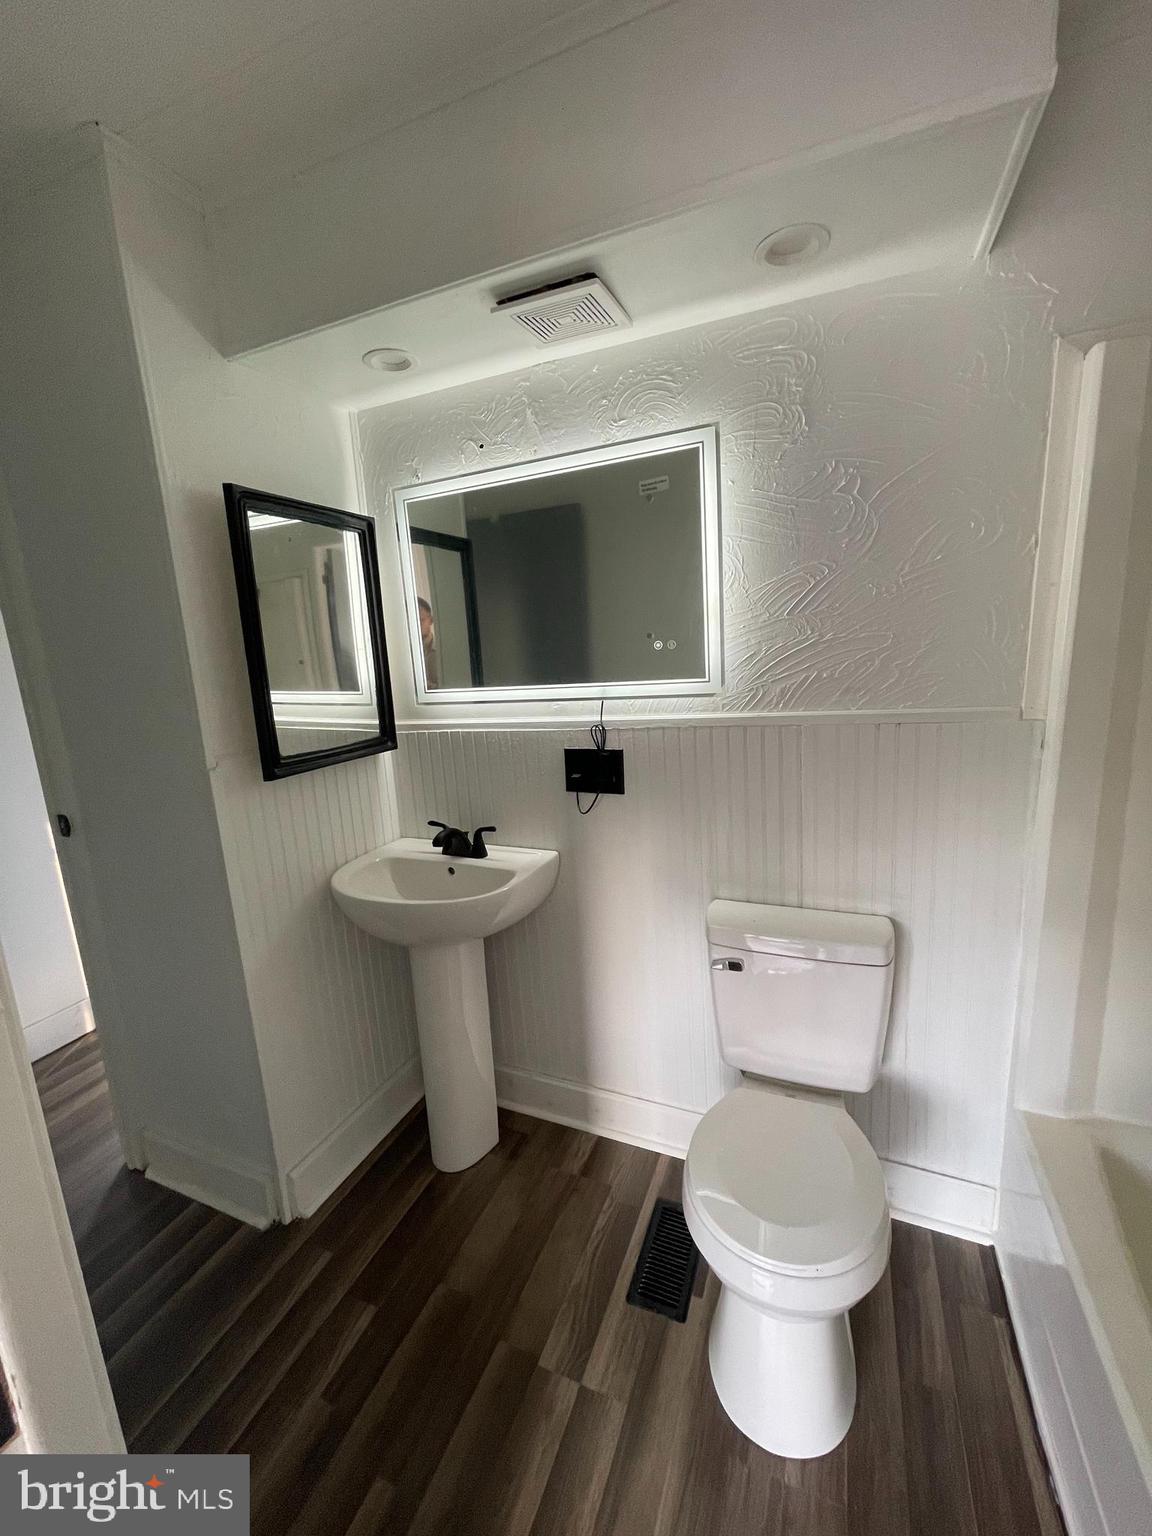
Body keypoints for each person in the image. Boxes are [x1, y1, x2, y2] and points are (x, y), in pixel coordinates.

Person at [418, 596, 440, 689]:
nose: (417, 624)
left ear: (431, 620)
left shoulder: (443, 651)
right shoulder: (404, 655)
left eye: (421, 620)